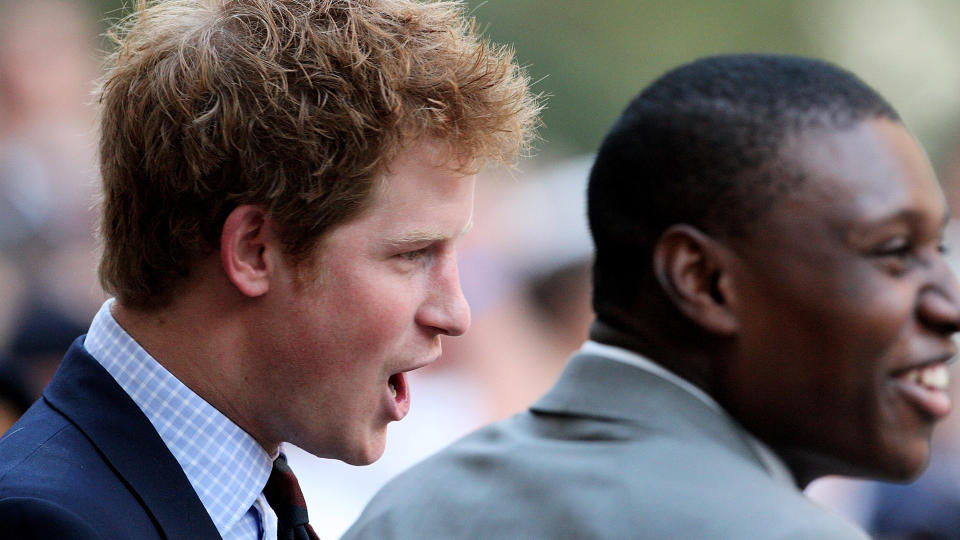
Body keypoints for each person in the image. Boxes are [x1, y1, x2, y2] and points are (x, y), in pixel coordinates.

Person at [343, 53, 960, 539]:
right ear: (702, 280)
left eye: (941, 250)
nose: (947, 305)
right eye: (893, 252)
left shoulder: (410, 510)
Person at [0, 0, 538, 538]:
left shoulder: (246, 501)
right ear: (254, 251)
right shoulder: (48, 522)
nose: (455, 313)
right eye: (412, 255)